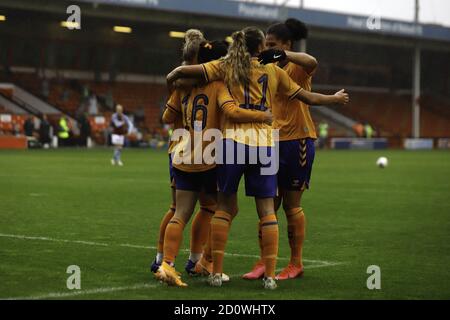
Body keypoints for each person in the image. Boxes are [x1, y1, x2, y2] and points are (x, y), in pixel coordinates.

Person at [167, 26, 349, 289]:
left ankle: (216, 272)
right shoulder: (274, 70)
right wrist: (334, 98)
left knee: (224, 208)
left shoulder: (226, 66)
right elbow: (307, 97)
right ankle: (271, 276)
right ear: (262, 47)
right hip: (265, 144)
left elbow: (187, 72)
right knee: (267, 210)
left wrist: (174, 75)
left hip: (232, 144)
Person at [155, 35, 273, 288]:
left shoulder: (183, 87)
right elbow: (231, 111)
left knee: (180, 212)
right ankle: (205, 262)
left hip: (183, 153)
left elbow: (166, 117)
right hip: (209, 156)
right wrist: (262, 116)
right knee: (222, 209)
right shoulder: (219, 86)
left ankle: (166, 263)